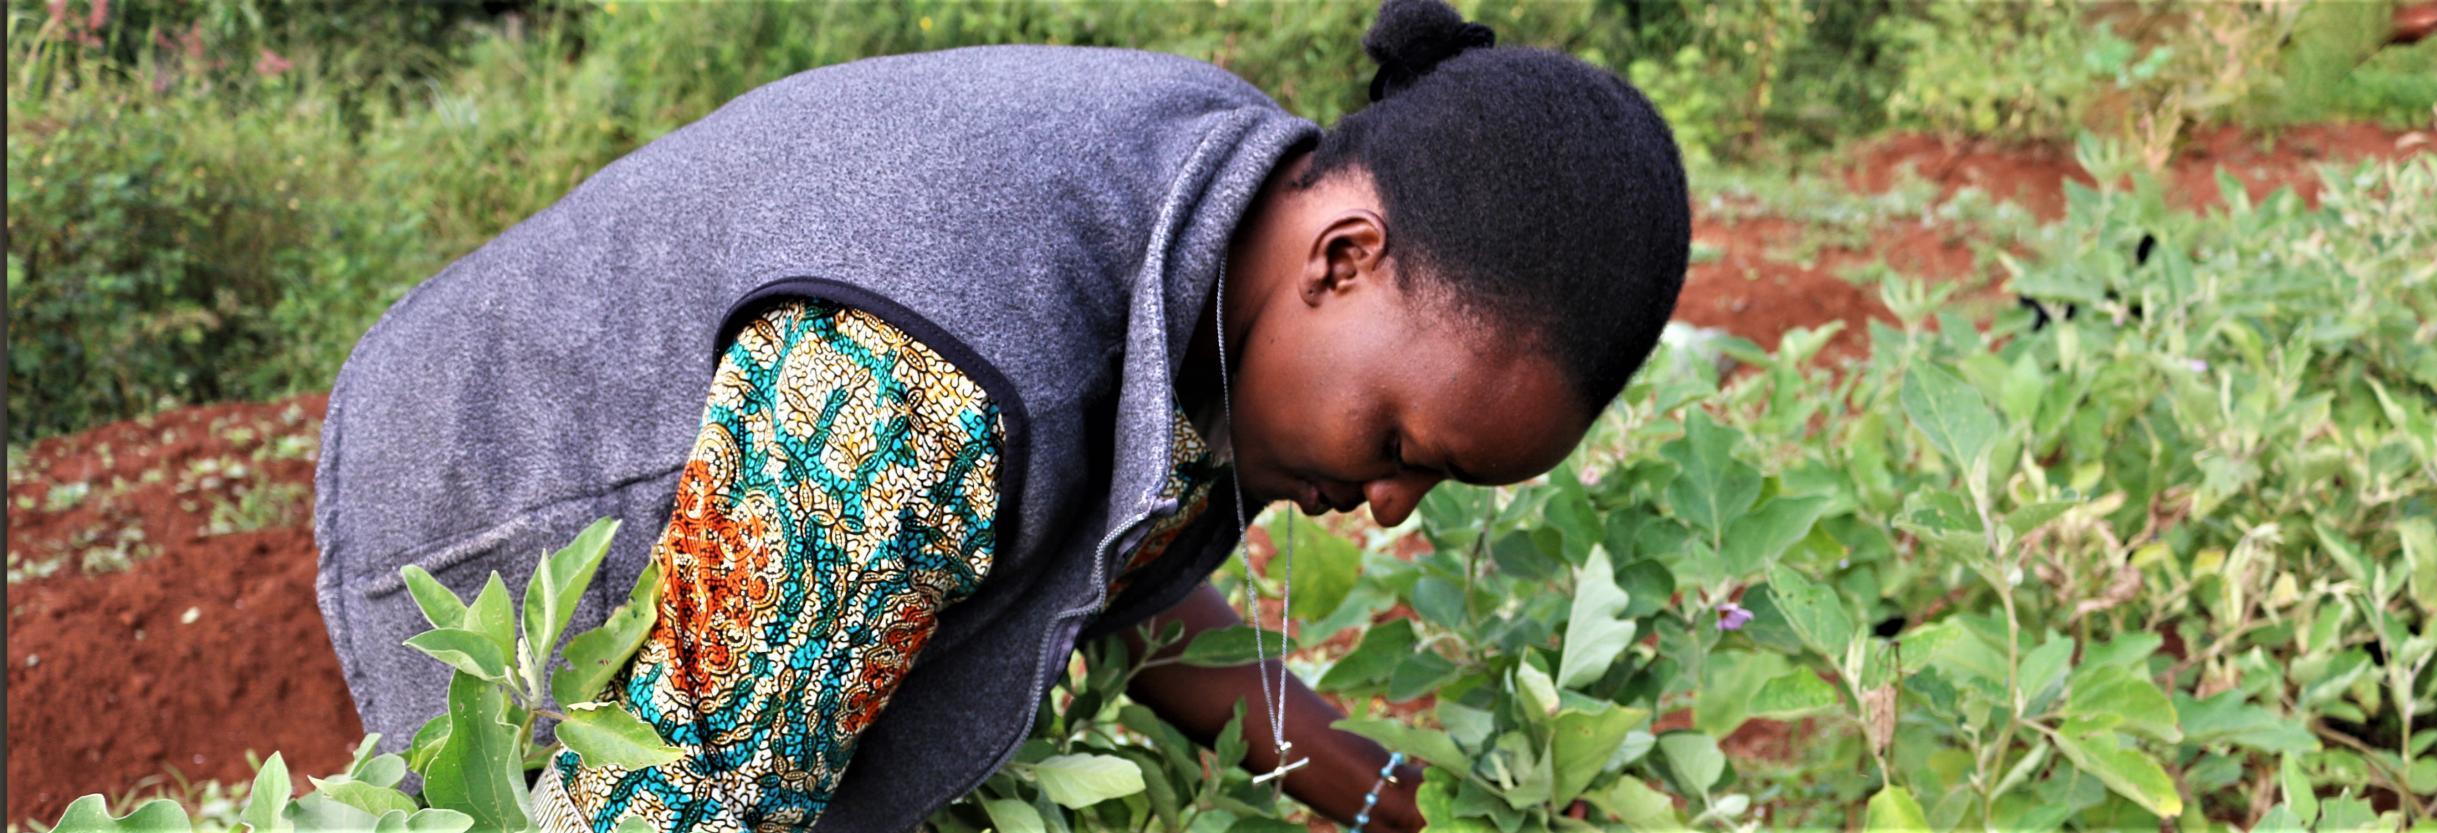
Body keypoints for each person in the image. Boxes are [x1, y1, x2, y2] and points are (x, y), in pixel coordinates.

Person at [310, 0, 1691, 831]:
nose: (1388, 506)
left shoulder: (1244, 243)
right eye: (1402, 451)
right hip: (485, 496)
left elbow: (1132, 593)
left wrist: (1419, 804)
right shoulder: (914, 412)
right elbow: (680, 799)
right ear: (1344, 256)